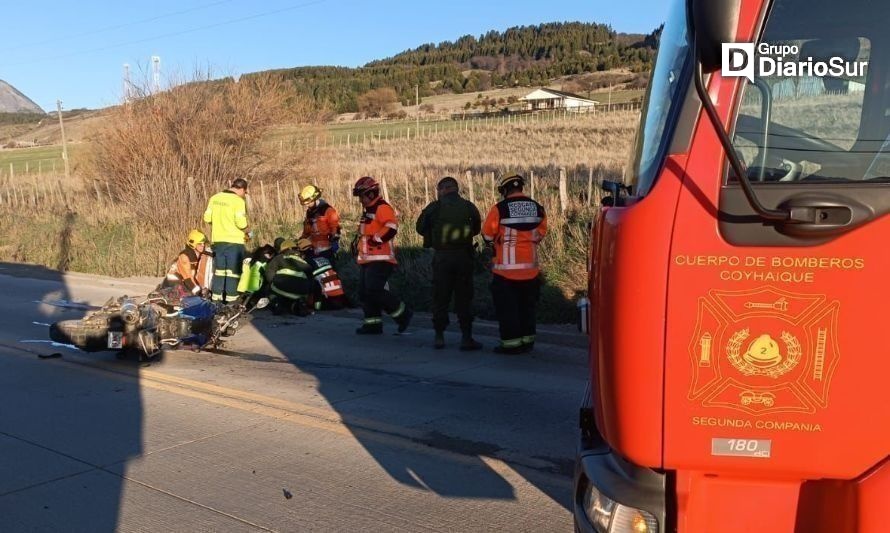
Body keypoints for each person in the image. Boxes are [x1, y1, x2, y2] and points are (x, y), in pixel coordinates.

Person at [481, 174, 547, 354]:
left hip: (505, 273)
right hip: (531, 271)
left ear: (505, 190)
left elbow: (487, 235)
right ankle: (528, 341)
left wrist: (496, 244)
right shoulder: (537, 208)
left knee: (508, 309)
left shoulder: (499, 209)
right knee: (528, 308)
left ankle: (511, 345)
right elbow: (541, 232)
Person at [416, 176, 483, 350]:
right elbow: (477, 228)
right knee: (464, 298)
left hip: (442, 258)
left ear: (443, 189)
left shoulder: (434, 207)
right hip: (464, 257)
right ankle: (466, 338)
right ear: (456, 189)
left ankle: (439, 337)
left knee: (440, 297)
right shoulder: (468, 206)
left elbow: (420, 228)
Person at [351, 176, 412, 334]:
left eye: (362, 196)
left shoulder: (382, 208)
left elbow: (391, 227)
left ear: (370, 194)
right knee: (365, 293)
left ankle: (403, 314)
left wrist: (376, 239)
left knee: (374, 290)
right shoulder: (369, 210)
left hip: (381, 259)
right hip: (367, 259)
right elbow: (367, 232)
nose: (360, 200)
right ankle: (373, 324)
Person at [203, 178, 250, 302]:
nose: (244, 195)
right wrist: (249, 231)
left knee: (219, 271)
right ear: (242, 189)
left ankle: (216, 300)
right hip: (234, 242)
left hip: (218, 240)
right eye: (245, 193)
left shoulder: (214, 198)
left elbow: (207, 218)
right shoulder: (238, 201)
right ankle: (231, 301)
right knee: (232, 273)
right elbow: (241, 223)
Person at [263, 239, 315, 315]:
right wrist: (308, 294)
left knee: (268, 288)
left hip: (281, 289)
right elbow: (311, 278)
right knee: (294, 294)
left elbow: (269, 272)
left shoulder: (280, 257)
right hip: (301, 292)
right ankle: (297, 305)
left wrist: (272, 283)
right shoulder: (302, 260)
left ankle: (276, 303)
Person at [299, 184, 342, 266]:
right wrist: (301, 240)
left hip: (327, 249)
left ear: (314, 199)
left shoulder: (328, 210)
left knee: (329, 274)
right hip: (313, 249)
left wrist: (334, 241)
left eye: (308, 203)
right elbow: (307, 230)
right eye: (305, 204)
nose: (307, 205)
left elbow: (335, 227)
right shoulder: (309, 212)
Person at [162, 229, 213, 297]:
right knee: (191, 298)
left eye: (203, 243)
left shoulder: (197, 252)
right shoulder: (185, 256)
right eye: (200, 244)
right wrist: (198, 292)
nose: (203, 245)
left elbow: (208, 253)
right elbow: (187, 278)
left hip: (184, 282)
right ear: (193, 244)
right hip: (174, 283)